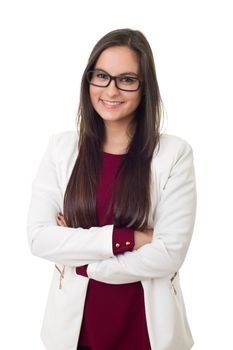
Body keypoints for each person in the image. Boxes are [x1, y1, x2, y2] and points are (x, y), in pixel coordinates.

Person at [27, 28, 196, 350]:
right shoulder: (62, 148)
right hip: (76, 332)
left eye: (127, 79)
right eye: (101, 76)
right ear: (88, 80)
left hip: (147, 331)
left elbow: (168, 255)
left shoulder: (174, 154)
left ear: (145, 87)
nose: (111, 90)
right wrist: (130, 239)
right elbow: (40, 238)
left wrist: (82, 260)